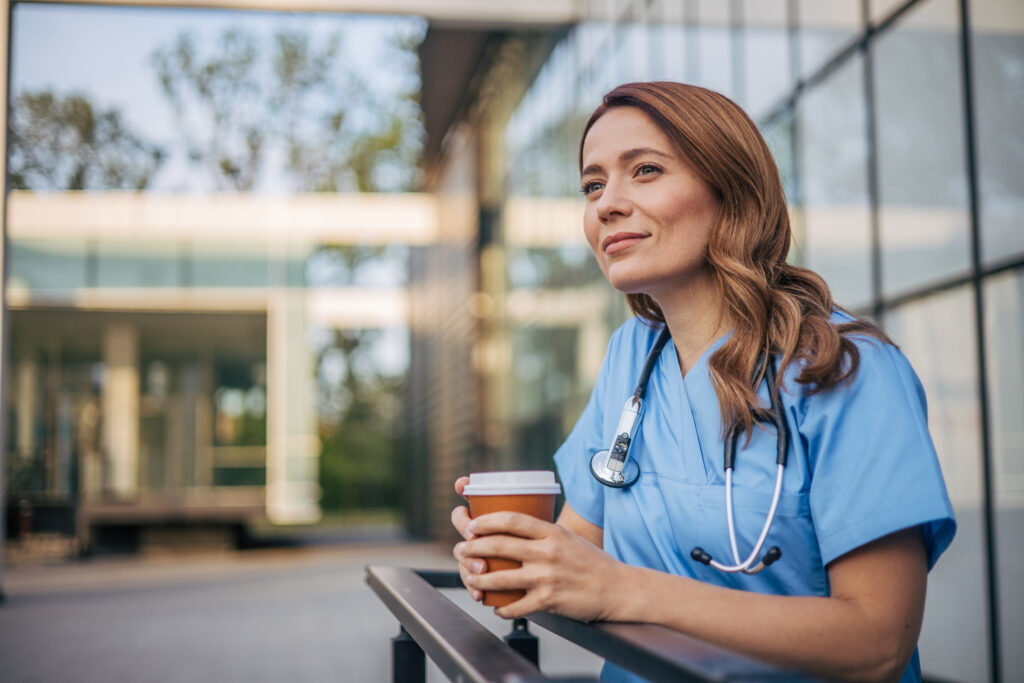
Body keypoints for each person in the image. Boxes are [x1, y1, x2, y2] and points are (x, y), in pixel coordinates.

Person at [451, 81, 955, 683]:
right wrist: (513, 555)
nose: (607, 203)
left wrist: (624, 592)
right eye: (592, 184)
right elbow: (579, 547)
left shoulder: (846, 367)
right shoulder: (630, 357)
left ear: (731, 189)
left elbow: (878, 643)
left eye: (645, 170)